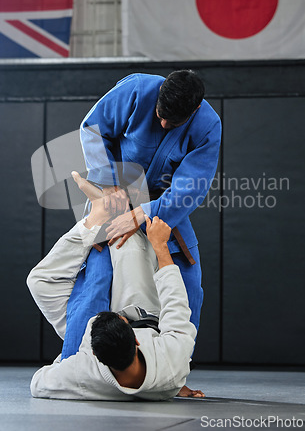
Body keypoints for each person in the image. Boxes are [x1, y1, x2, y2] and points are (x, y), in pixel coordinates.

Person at [61, 70, 221, 358]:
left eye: (171, 123)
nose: (162, 123)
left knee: (188, 282)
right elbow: (91, 129)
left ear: (195, 110)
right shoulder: (137, 90)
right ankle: (73, 362)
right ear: (159, 94)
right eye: (160, 115)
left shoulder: (207, 126)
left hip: (165, 204)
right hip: (113, 194)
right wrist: (110, 187)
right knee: (98, 280)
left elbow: (191, 187)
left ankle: (175, 371)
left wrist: (141, 214)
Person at [27, 172, 204, 400]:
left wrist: (67, 359)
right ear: (136, 339)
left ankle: (97, 215)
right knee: (129, 246)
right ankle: (113, 211)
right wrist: (160, 245)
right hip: (144, 313)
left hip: (101, 345)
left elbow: (38, 383)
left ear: (93, 352)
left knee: (38, 282)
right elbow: (176, 303)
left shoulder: (82, 371)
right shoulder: (171, 361)